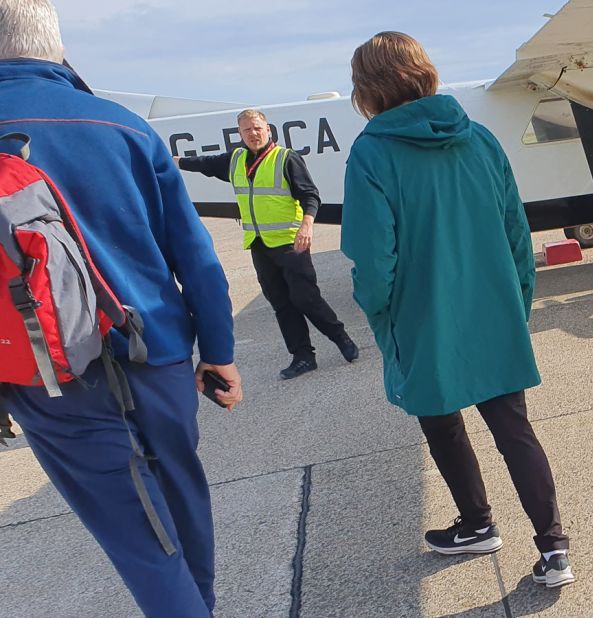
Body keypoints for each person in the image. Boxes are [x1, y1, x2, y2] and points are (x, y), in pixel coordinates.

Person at [0, 0, 243, 615]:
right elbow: (196, 256)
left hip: (49, 372)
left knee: (139, 539)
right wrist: (218, 352)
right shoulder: (124, 125)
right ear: (54, 46)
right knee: (183, 500)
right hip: (155, 352)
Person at [341, 32, 574, 588]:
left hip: (423, 319)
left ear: (369, 89)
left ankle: (476, 523)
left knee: (442, 426)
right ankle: (554, 546)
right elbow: (517, 232)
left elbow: (373, 261)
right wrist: (517, 301)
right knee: (514, 428)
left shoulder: (372, 153)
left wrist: (379, 312)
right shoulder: (482, 140)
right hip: (493, 308)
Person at [177, 109, 359, 380]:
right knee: (280, 302)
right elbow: (204, 163)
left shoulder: (286, 158)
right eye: (247, 130)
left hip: (290, 242)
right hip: (259, 244)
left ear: (268, 129)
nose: (254, 133)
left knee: (305, 298)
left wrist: (307, 225)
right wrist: (170, 160)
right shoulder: (236, 160)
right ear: (240, 134)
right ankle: (302, 356)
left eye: (258, 128)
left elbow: (310, 196)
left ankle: (341, 338)